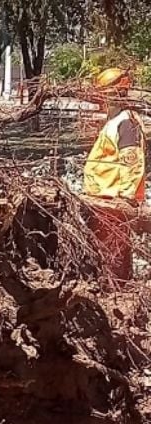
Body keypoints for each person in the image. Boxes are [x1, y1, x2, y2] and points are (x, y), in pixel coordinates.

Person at [83, 68, 147, 281]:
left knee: (114, 257)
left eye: (104, 93)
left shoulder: (126, 122)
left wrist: (126, 201)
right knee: (104, 254)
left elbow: (132, 162)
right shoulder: (116, 120)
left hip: (113, 203)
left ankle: (118, 294)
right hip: (102, 200)